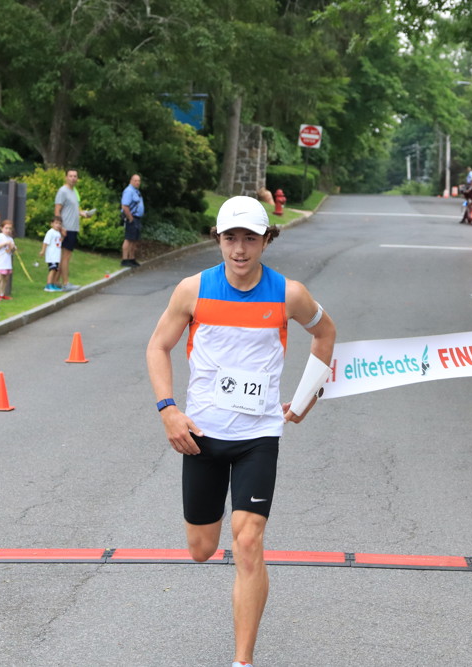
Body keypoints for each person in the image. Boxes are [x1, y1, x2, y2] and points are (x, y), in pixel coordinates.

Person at [146, 196, 336, 667]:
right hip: (202, 437)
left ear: (266, 240)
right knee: (201, 549)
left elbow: (325, 333)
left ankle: (242, 660)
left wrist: (308, 395)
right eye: (230, 238)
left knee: (248, 541)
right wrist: (169, 410)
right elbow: (157, 346)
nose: (239, 249)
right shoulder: (193, 290)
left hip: (259, 437)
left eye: (250, 238)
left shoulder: (289, 294)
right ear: (218, 239)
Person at [54, 169, 93, 291]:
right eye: (70, 176)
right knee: (66, 256)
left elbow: (74, 209)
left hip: (74, 227)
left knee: (66, 256)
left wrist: (84, 213)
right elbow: (57, 210)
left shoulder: (74, 191)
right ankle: (66, 283)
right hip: (66, 228)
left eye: (75, 176)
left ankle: (55, 281)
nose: (73, 178)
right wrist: (60, 227)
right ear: (66, 177)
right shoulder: (63, 191)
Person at [121, 173, 144, 267]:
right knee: (129, 239)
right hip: (131, 217)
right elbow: (125, 206)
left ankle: (131, 258)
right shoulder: (129, 191)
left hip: (137, 218)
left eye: (139, 181)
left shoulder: (136, 191)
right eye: (135, 180)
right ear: (131, 181)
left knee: (134, 239)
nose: (137, 182)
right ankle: (125, 259)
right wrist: (130, 218)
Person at [0, 220, 16, 301]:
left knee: (5, 279)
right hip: (0, 261)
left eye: (10, 228)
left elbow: (12, 250)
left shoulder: (10, 238)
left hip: (7, 261)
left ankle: (2, 294)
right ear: (1, 228)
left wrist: (13, 247)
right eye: (6, 228)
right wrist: (5, 243)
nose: (8, 230)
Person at [40, 216, 63, 292]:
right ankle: (48, 285)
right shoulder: (50, 232)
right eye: (56, 223)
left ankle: (53, 284)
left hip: (56, 256)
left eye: (59, 223)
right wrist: (43, 251)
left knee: (56, 270)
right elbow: (45, 242)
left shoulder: (58, 233)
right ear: (52, 224)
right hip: (51, 255)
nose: (58, 225)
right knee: (52, 270)